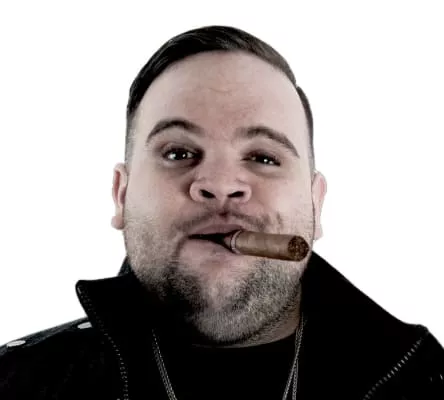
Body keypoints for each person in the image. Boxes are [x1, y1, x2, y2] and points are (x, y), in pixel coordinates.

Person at [1, 25, 443, 400]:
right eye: (178, 153)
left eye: (264, 157)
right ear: (121, 194)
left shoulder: (424, 382)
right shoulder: (15, 384)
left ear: (316, 203)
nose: (220, 183)